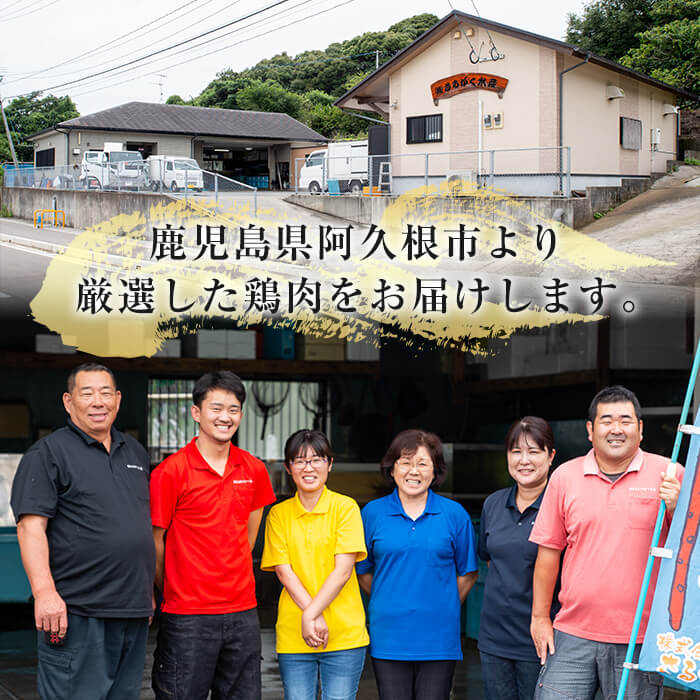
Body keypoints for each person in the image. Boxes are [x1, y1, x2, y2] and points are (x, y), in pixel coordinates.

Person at [10, 362, 154, 700]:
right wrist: (45, 593)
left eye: (106, 393)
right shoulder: (48, 454)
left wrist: (145, 590)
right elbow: (31, 527)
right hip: (78, 612)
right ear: (68, 401)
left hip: (131, 610)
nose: (98, 401)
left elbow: (137, 525)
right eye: (86, 393)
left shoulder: (134, 453)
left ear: (118, 399)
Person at [530, 385, 682, 699]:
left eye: (626, 421)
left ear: (640, 429)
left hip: (640, 638)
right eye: (606, 420)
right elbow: (548, 553)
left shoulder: (670, 475)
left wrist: (678, 508)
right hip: (571, 634)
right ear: (590, 429)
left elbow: (689, 550)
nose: (616, 429)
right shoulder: (564, 477)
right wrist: (540, 617)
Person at [150, 370, 276, 700]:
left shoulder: (254, 469)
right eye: (216, 407)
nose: (225, 417)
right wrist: (175, 588)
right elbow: (155, 544)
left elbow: (249, 535)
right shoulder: (170, 472)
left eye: (233, 409)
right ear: (196, 412)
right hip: (187, 616)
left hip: (242, 613)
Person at [357, 429, 478, 700]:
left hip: (439, 638)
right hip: (389, 637)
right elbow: (363, 571)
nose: (414, 471)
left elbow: (468, 573)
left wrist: (441, 603)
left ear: (435, 472)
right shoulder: (372, 514)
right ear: (392, 469)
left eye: (423, 463)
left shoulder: (454, 515)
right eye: (406, 462)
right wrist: (389, 600)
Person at [261, 429, 369, 699]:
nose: (308, 468)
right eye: (300, 460)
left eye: (317, 459)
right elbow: (284, 572)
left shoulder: (346, 508)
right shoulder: (278, 514)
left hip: (344, 633)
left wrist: (310, 614)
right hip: (294, 634)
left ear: (329, 465)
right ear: (288, 467)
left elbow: (343, 571)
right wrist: (311, 615)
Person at [478, 416, 557, 700]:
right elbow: (491, 559)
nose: (524, 460)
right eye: (516, 451)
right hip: (494, 637)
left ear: (551, 457)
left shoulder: (562, 505)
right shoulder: (494, 503)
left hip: (544, 640)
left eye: (534, 451)